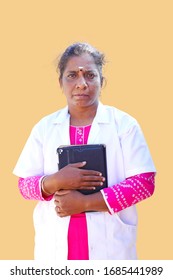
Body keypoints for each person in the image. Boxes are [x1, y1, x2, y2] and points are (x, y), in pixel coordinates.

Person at [13, 42, 156, 260]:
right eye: (72, 75)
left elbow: (144, 183)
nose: (81, 84)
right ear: (60, 82)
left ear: (102, 81)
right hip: (54, 249)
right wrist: (55, 180)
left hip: (110, 249)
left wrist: (86, 203)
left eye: (90, 75)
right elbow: (24, 186)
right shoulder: (44, 128)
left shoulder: (124, 125)